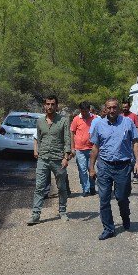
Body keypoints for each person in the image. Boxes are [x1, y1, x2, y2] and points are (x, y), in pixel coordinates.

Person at [89, 98, 138, 240]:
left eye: (114, 108)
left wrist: (137, 162)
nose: (112, 110)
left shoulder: (128, 123)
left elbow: (135, 142)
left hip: (123, 166)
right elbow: (95, 147)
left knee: (122, 197)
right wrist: (91, 167)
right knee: (104, 199)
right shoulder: (99, 124)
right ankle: (108, 228)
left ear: (118, 109)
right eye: (109, 108)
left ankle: (125, 216)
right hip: (105, 165)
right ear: (105, 109)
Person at [27, 95, 71, 225]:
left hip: (58, 159)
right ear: (44, 105)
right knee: (39, 187)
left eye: (52, 104)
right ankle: (35, 215)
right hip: (43, 159)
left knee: (61, 187)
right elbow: (39, 138)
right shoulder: (40, 121)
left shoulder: (63, 120)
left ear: (56, 106)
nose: (50, 106)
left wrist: (66, 157)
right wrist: (37, 151)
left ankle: (62, 211)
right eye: (48, 104)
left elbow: (67, 139)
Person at [71, 101, 96, 197]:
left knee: (91, 168)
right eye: (82, 111)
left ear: (89, 109)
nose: (84, 113)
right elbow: (72, 133)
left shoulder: (95, 118)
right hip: (80, 149)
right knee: (82, 170)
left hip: (92, 148)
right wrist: (72, 148)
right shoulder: (76, 119)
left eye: (86, 111)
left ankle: (92, 186)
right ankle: (85, 189)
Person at [122, 100, 138, 184]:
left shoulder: (134, 116)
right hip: (124, 142)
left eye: (126, 107)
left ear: (129, 107)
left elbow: (137, 127)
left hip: (132, 141)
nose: (124, 108)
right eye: (123, 107)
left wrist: (137, 140)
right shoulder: (120, 116)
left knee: (134, 159)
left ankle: (136, 175)